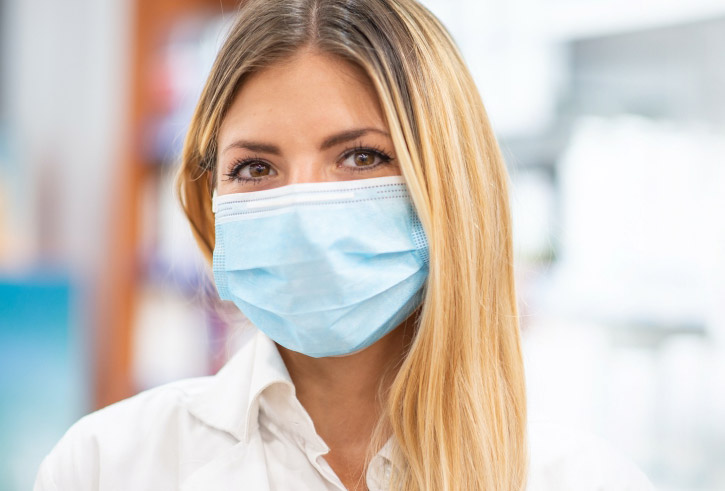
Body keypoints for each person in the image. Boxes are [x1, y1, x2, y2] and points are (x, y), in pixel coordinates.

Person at [35, 0, 654, 489]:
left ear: (447, 186)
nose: (304, 208)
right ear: (211, 200)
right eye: (255, 168)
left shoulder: (584, 479)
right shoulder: (102, 467)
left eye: (361, 157)